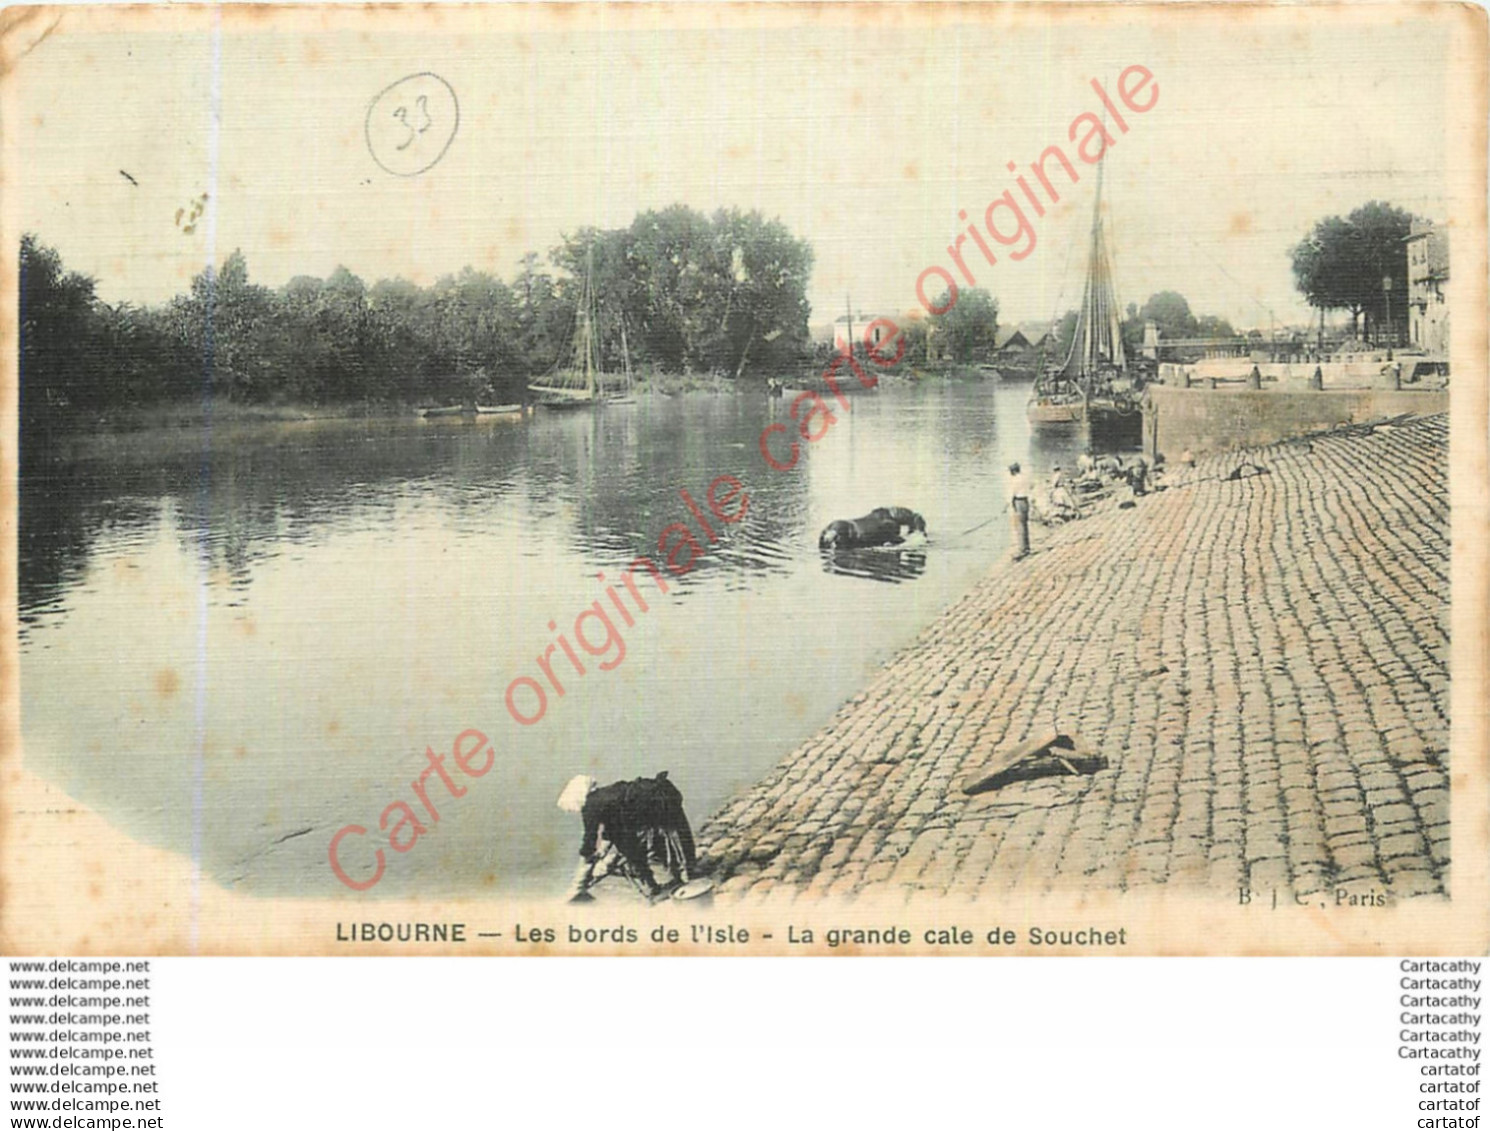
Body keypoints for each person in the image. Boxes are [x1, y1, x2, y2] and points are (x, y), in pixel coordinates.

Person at [558, 772, 698, 902]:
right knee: (667, 841)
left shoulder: (590, 806)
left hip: (660, 802)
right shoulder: (604, 796)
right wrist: (603, 852)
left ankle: (678, 882)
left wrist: (586, 866)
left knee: (668, 841)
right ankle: (677, 876)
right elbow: (615, 826)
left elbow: (590, 840)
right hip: (664, 793)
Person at [1007, 461, 1031, 560]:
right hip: (1025, 500)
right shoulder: (1025, 477)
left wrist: (1008, 504)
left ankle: (1022, 550)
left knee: (1020, 526)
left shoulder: (1015, 479)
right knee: (1024, 525)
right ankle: (1026, 547)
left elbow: (1012, 493)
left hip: (1019, 501)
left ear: (1013, 471)